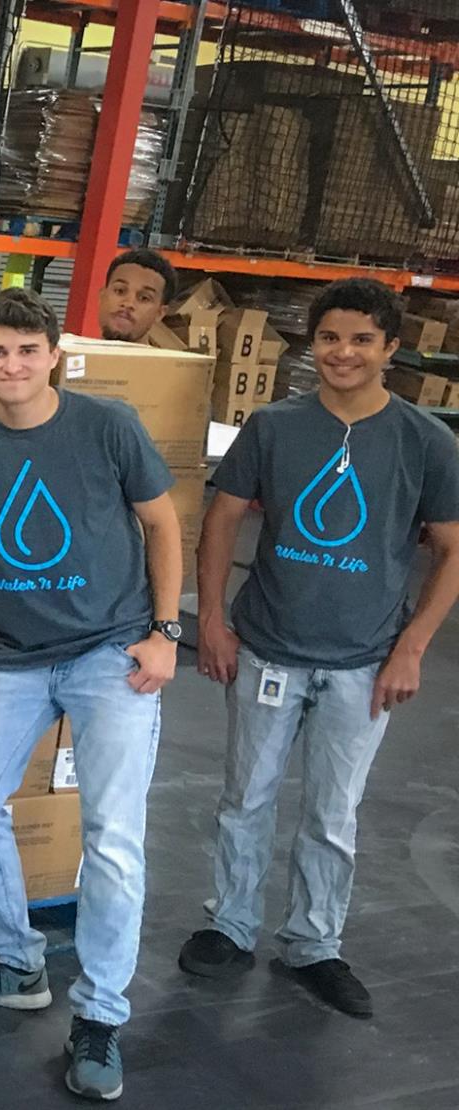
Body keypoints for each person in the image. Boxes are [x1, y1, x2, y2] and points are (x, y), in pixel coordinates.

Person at [0, 288, 181, 1103]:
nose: (12, 366)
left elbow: (163, 524)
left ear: (54, 355)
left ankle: (100, 1014)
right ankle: (14, 958)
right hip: (9, 659)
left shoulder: (108, 427)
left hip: (113, 655)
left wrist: (166, 632)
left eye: (27, 351)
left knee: (111, 837)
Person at [181, 278, 459, 1018]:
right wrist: (212, 619)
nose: (343, 353)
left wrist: (412, 649)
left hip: (362, 664)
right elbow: (221, 520)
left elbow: (452, 550)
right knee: (246, 797)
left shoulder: (426, 443)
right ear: (313, 343)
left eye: (362, 340)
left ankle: (314, 944)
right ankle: (231, 926)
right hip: (268, 648)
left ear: (390, 348)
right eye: (331, 338)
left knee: (334, 813)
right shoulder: (275, 427)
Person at [96, 248, 176, 344]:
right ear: (102, 296)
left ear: (160, 313)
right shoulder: (77, 356)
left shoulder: (166, 359)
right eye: (120, 291)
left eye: (144, 298)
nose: (128, 303)